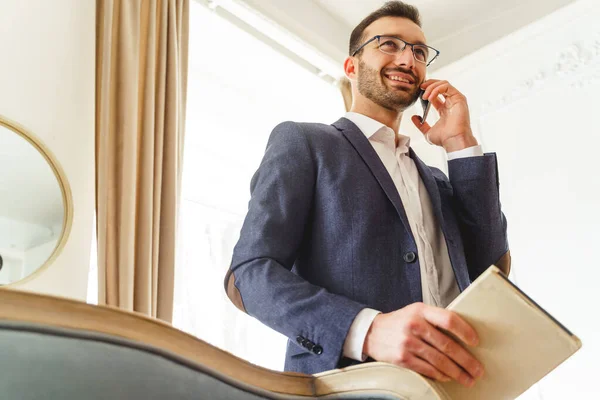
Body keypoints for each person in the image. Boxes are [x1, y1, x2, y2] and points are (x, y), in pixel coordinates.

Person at [223, 0, 510, 388]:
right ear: (352, 66)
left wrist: (460, 144)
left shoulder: (437, 182)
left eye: (419, 51)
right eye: (389, 44)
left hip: (456, 388)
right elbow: (249, 275)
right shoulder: (305, 142)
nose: (408, 59)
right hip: (348, 386)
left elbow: (491, 271)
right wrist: (368, 329)